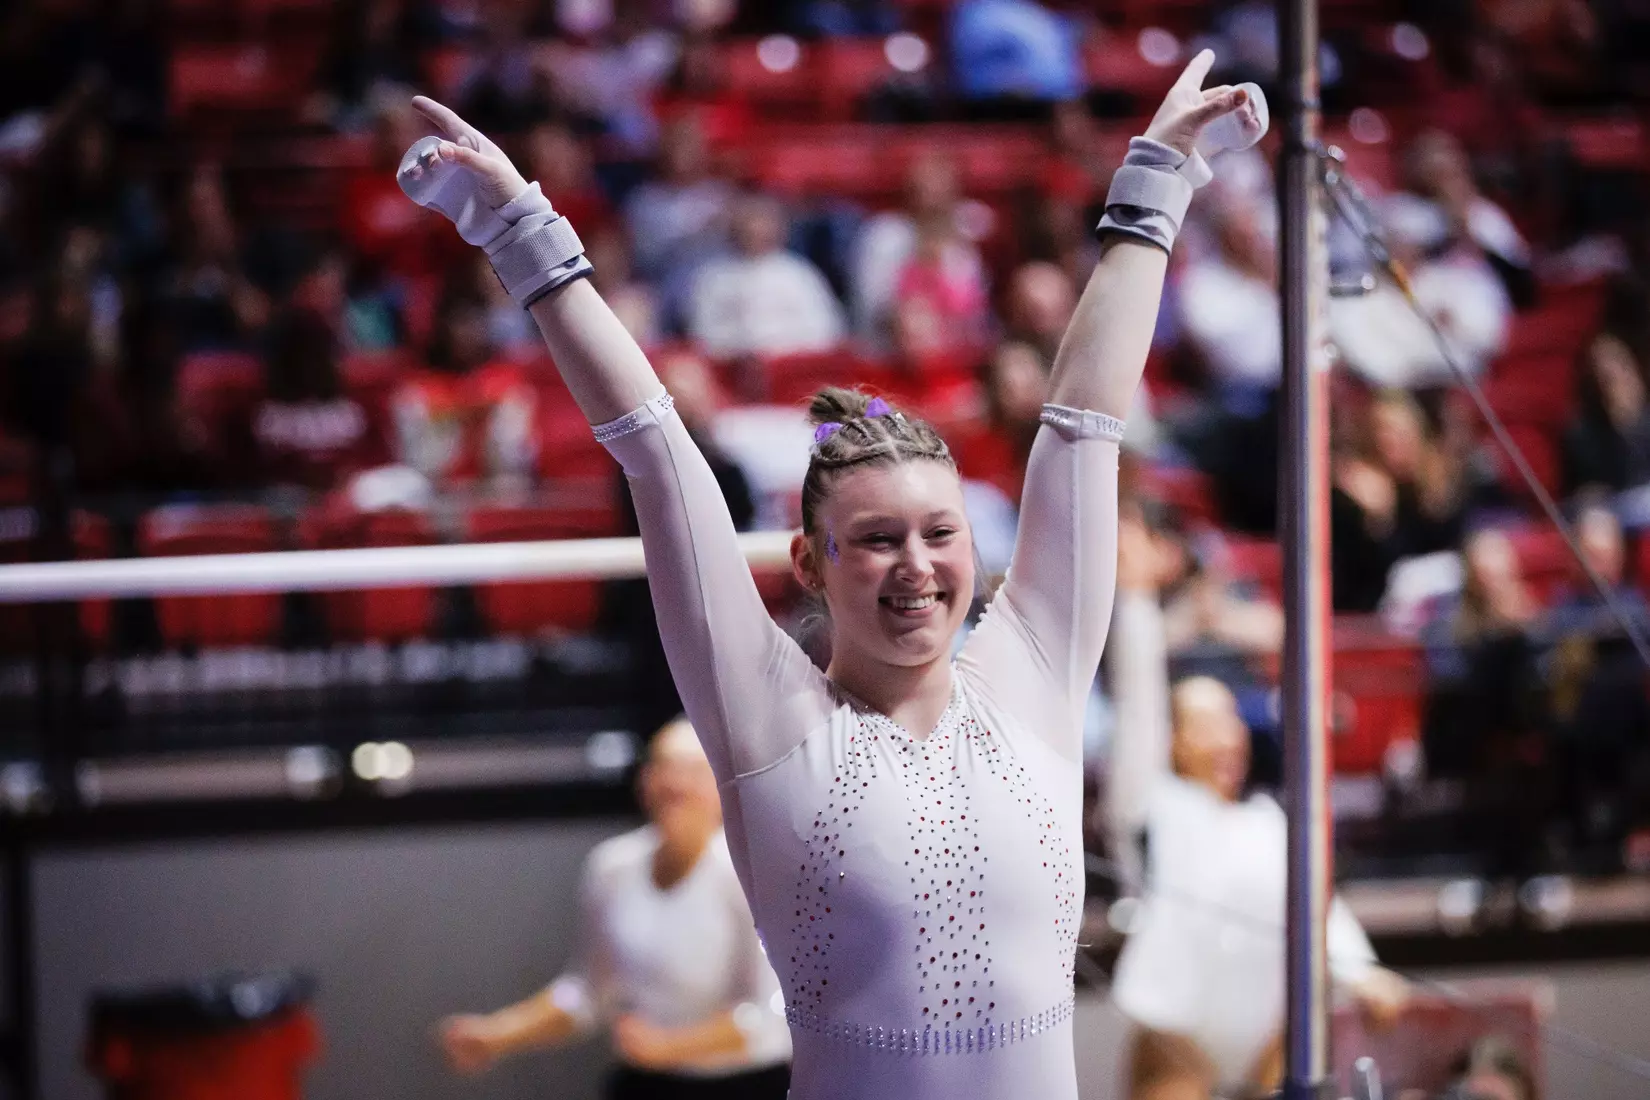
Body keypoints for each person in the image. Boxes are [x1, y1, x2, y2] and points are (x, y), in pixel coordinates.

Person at [399, 51, 1257, 1099]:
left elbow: (1084, 420)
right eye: (880, 538)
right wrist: (521, 232)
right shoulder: (771, 721)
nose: (918, 565)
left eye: (939, 532)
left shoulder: (1035, 674)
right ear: (811, 560)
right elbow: (656, 450)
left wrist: (1156, 181)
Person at [1102, 514, 1409, 1100]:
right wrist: (1135, 598)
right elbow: (1139, 706)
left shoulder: (1270, 822)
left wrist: (1361, 971)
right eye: (1202, 725)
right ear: (1174, 741)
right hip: (1179, 1034)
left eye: (1229, 724)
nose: (1224, 739)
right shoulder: (1156, 806)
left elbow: (1318, 904)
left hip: (1270, 1034)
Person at [437, 719, 792, 1100]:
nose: (675, 785)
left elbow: (773, 1012)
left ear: (722, 784)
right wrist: (497, 1034)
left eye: (692, 771)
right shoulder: (612, 866)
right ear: (645, 780)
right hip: (647, 1084)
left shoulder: (750, 874)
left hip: (745, 1086)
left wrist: (671, 1047)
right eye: (664, 768)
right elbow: (590, 991)